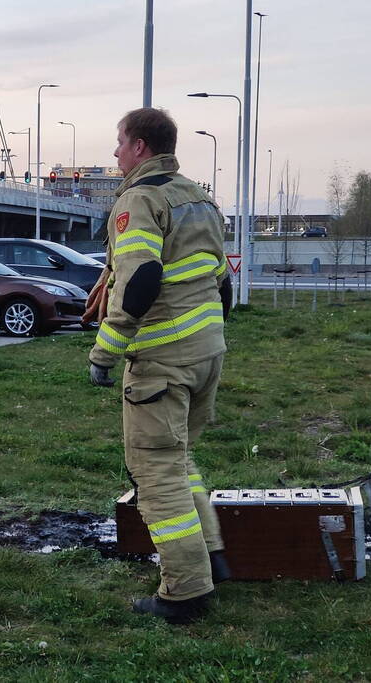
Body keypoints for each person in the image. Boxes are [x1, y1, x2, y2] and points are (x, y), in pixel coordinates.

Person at [87, 108, 233, 624]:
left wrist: (105, 351)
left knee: (156, 475)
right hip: (206, 353)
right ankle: (212, 556)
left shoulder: (140, 200)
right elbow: (222, 279)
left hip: (163, 361)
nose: (115, 153)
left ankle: (186, 591)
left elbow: (141, 278)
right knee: (181, 460)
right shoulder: (199, 197)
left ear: (141, 147)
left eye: (120, 142)